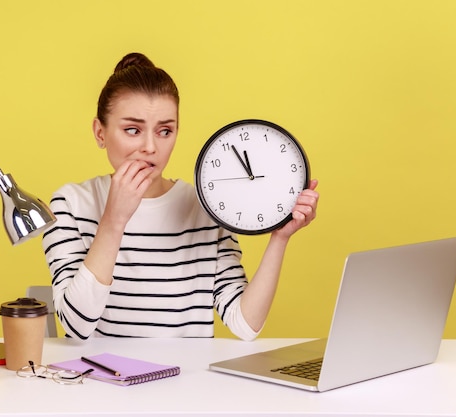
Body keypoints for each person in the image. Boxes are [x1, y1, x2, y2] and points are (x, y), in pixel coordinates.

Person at [42, 52, 319, 340]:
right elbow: (76, 326)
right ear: (101, 133)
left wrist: (280, 237)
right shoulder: (70, 205)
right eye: (133, 130)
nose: (150, 147)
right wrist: (114, 220)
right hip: (106, 381)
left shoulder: (204, 207)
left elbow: (245, 325)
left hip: (186, 382)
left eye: (165, 131)